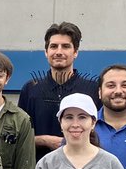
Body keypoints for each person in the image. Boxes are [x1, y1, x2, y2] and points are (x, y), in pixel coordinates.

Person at [17, 22, 99, 161]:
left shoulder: (93, 90)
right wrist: (44, 140)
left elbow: (101, 134)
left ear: (75, 52)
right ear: (46, 52)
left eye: (66, 46)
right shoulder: (31, 90)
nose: (59, 52)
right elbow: (19, 137)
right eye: (53, 46)